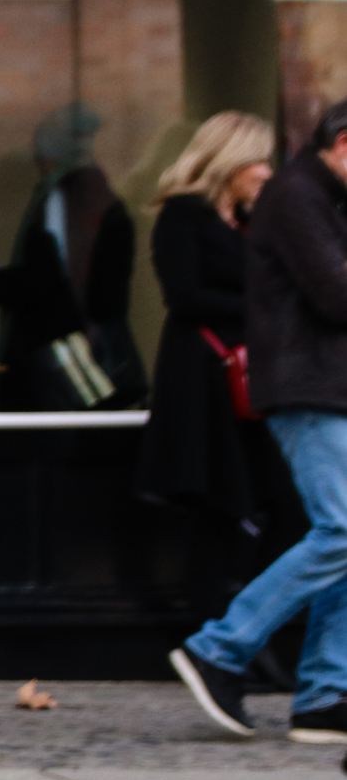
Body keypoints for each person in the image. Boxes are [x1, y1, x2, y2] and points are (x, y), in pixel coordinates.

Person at [170, 98, 347, 744]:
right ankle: (219, 648)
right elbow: (335, 294)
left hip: (328, 385)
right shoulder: (299, 196)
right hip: (309, 386)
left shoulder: (317, 196)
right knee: (342, 530)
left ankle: (327, 694)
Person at [135, 113, 293, 624]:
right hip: (204, 379)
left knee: (276, 504)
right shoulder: (183, 216)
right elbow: (183, 295)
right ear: (228, 162)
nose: (267, 172)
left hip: (252, 382)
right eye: (258, 161)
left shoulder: (250, 223)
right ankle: (214, 636)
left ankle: (250, 629)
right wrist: (263, 305)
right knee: (216, 509)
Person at [0, 102, 143, 410]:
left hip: (65, 349)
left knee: (69, 435)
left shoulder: (69, 197)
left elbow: (54, 276)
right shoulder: (97, 197)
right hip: (79, 343)